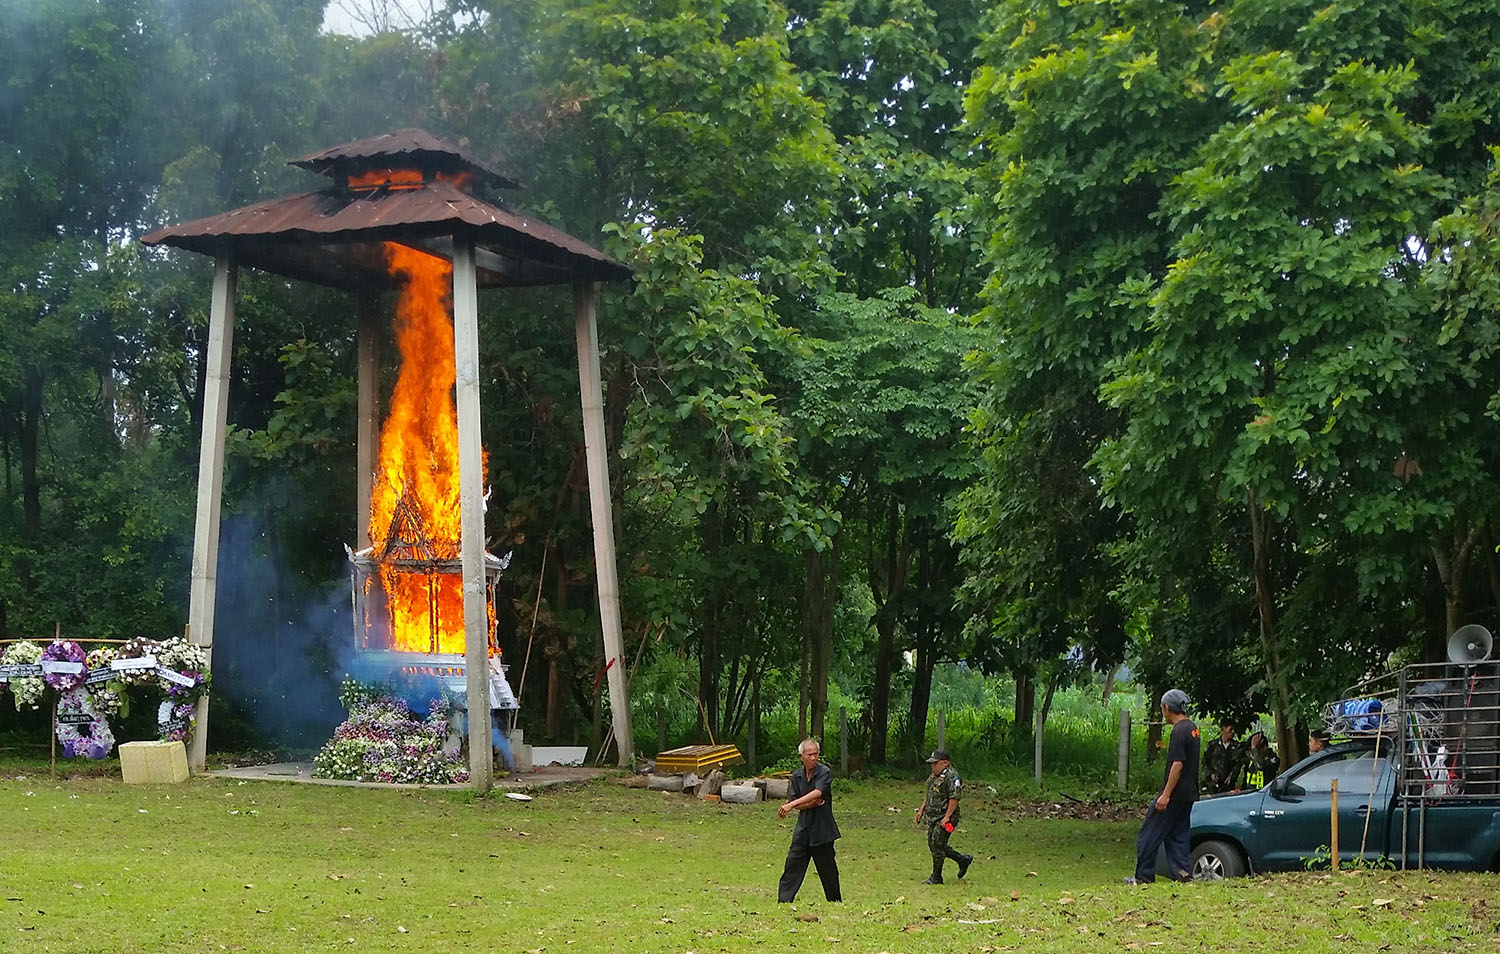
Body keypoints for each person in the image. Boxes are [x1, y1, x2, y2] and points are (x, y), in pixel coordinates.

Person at [1126, 689, 1200, 884]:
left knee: (1148, 834)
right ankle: (1182, 873)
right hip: (1189, 793)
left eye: (1162, 708)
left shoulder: (1178, 731)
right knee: (1178, 834)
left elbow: (1178, 763)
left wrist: (1166, 794)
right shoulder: (1193, 728)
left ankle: (1143, 876)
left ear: (1167, 708)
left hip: (1174, 793)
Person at [776, 738, 842, 903]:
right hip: (803, 829)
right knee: (793, 864)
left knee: (828, 870)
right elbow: (805, 802)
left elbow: (817, 794)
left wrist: (792, 805)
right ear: (801, 756)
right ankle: (784, 900)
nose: (813, 758)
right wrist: (805, 804)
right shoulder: (797, 776)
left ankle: (834, 901)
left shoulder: (824, 772)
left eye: (816, 754)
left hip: (822, 829)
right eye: (809, 754)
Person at [914, 748, 973, 884]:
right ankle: (962, 859)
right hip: (933, 816)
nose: (932, 766)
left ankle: (936, 877)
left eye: (935, 763)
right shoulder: (934, 776)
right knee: (934, 844)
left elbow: (954, 798)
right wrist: (921, 810)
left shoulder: (952, 777)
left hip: (947, 818)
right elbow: (929, 794)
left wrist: (947, 817)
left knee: (937, 844)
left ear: (945, 763)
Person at [1201, 719, 1243, 795]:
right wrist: (1211, 774)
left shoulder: (1236, 746)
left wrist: (1232, 776)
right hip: (1213, 785)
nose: (1233, 732)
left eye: (1234, 730)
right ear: (1223, 729)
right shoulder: (1212, 745)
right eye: (1230, 729)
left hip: (1228, 785)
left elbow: (1238, 764)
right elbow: (1205, 762)